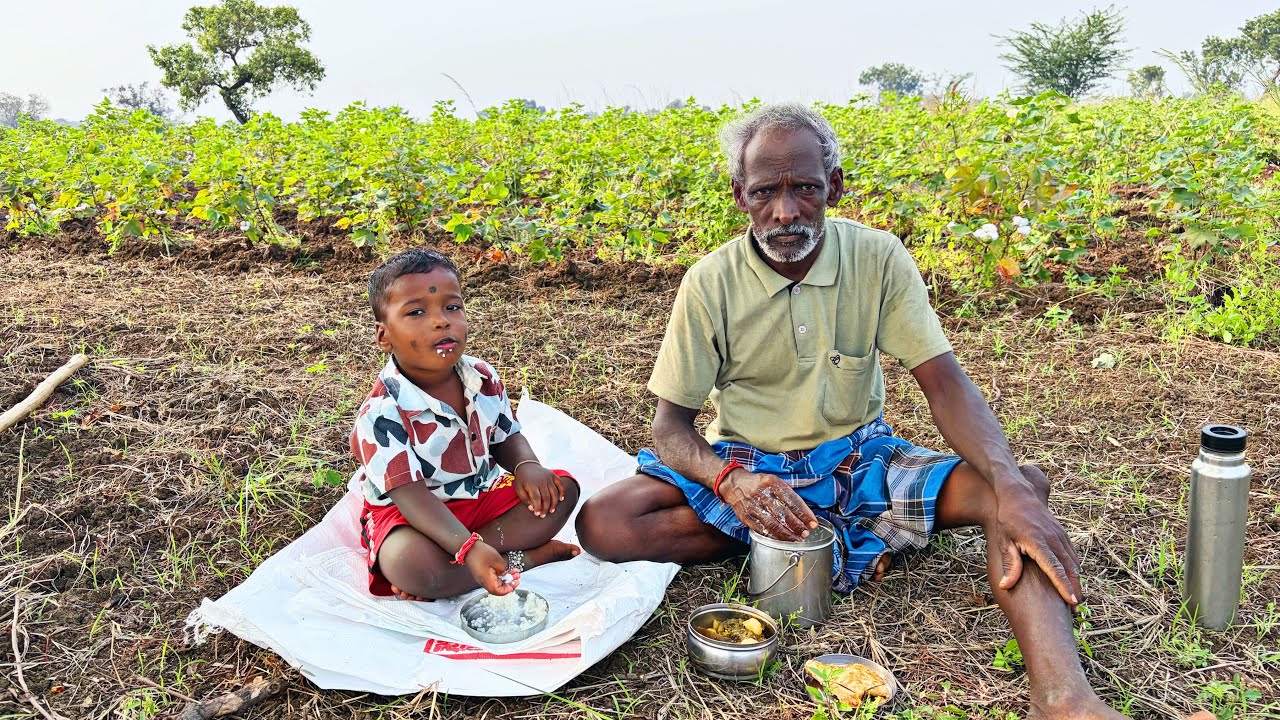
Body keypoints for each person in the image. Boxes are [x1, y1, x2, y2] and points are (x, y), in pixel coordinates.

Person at [575, 104, 1212, 720]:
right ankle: (803, 534)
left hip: (857, 459)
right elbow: (670, 428)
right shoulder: (709, 282)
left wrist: (1012, 483)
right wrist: (731, 483)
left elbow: (945, 384)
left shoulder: (878, 259)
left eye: (806, 187)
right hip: (751, 470)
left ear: (836, 186)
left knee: (1016, 493)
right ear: (740, 194)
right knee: (605, 522)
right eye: (767, 190)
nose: (787, 210)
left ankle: (1062, 700)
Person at [352, 249, 580, 601]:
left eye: (452, 307)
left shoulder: (482, 376)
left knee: (560, 492)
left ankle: (457, 570)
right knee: (410, 564)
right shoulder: (382, 412)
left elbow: (507, 435)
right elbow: (410, 497)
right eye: (416, 312)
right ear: (384, 337)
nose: (441, 321)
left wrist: (527, 466)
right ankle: (525, 558)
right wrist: (468, 548)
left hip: (481, 497)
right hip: (417, 515)